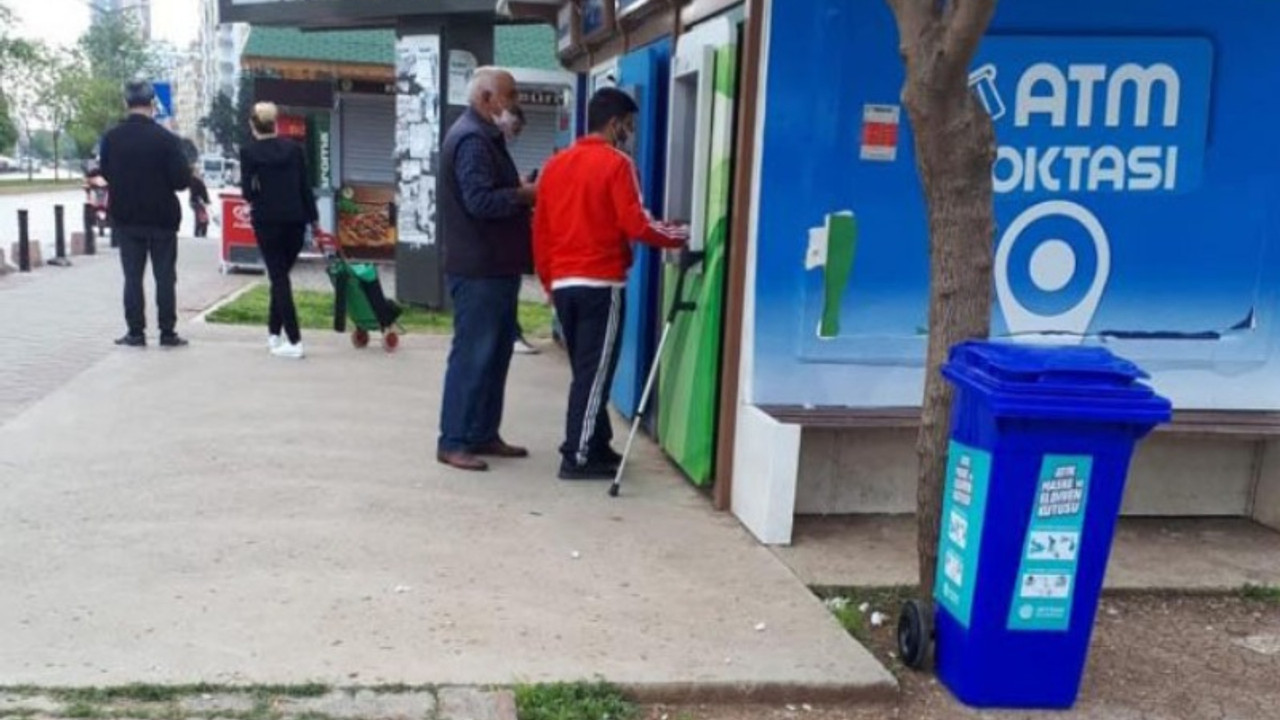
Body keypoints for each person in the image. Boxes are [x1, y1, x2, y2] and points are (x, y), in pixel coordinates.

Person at [533, 87, 688, 480]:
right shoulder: (617, 164)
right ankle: (578, 455)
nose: (630, 134)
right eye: (629, 126)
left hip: (564, 284)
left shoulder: (556, 165)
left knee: (587, 371)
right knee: (595, 373)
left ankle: (597, 445)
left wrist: (549, 283)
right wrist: (682, 235)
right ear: (615, 123)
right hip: (601, 284)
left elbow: (542, 231)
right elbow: (636, 224)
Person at [436, 67, 536, 472]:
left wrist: (518, 190)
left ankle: (482, 433)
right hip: (479, 269)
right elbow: (479, 201)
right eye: (510, 96)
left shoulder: (483, 137)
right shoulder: (473, 140)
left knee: (494, 356)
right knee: (473, 356)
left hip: (494, 266)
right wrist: (524, 195)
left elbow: (485, 193)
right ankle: (454, 439)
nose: (515, 104)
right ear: (486, 98)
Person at [100, 79, 192, 348]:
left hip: (127, 216)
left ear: (125, 104)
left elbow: (106, 173)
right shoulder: (167, 140)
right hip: (162, 218)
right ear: (153, 104)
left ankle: (136, 332)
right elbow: (181, 181)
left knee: (132, 276)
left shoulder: (112, 138)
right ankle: (167, 332)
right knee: (165, 277)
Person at [240, 102, 319, 360]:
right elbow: (305, 186)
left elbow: (247, 192)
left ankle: (294, 339)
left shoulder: (249, 153)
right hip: (296, 221)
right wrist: (314, 220)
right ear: (275, 124)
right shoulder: (294, 150)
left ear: (253, 125)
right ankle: (274, 333)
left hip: (267, 221)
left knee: (279, 278)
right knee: (280, 275)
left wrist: (260, 193)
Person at [502, 105, 540, 356]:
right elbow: (492, 196)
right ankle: (511, 335)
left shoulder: (498, 151)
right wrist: (524, 191)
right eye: (515, 130)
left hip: (508, 243)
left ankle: (511, 333)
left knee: (508, 292)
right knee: (505, 294)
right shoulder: (483, 147)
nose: (515, 136)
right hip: (501, 243)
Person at [189, 169, 211, 238]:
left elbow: (203, 191)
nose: (199, 173)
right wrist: (200, 199)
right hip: (197, 202)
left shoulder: (199, 180)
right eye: (197, 171)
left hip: (200, 202)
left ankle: (201, 232)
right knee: (200, 218)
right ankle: (198, 232)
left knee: (202, 218)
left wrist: (207, 200)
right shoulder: (194, 181)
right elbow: (195, 192)